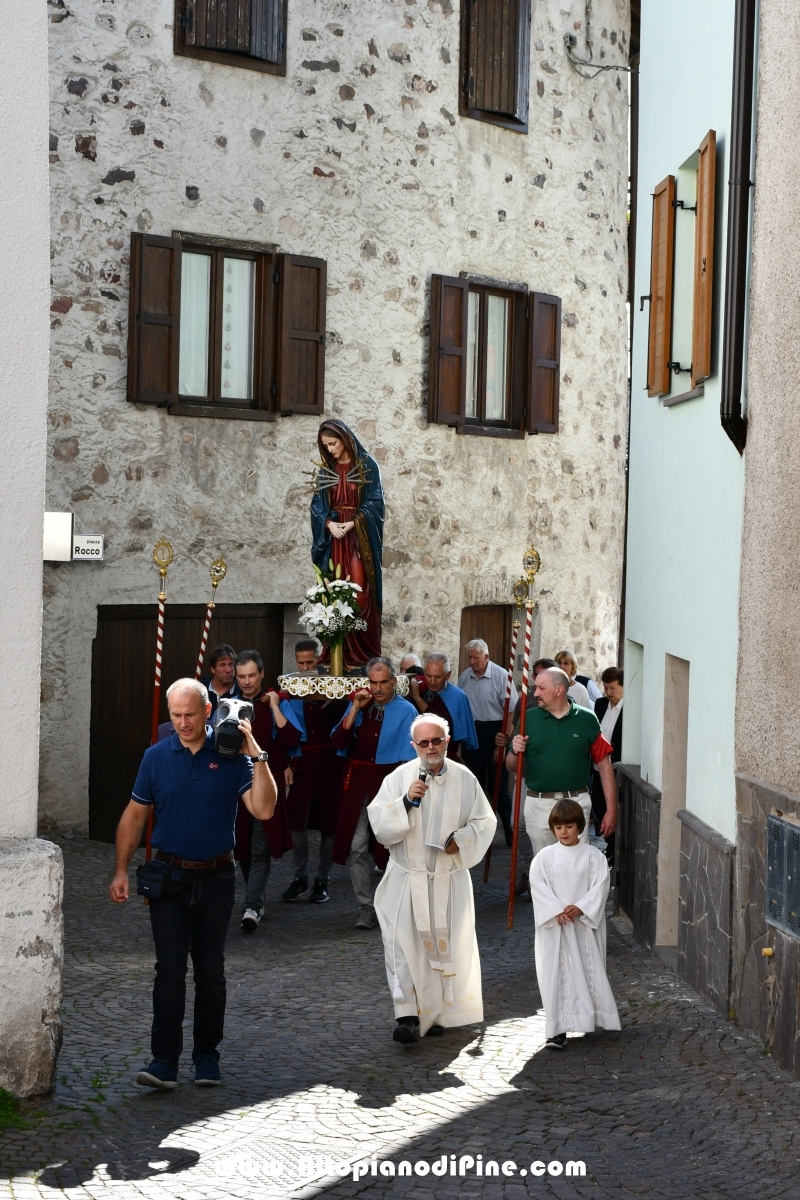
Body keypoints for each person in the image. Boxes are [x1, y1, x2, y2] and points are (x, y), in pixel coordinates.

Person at [108, 677, 277, 1089]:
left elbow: (264, 809)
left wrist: (259, 756)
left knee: (211, 972)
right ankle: (163, 1062)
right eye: (175, 715)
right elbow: (134, 816)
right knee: (168, 970)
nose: (182, 723)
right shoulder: (155, 756)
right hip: (169, 878)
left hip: (218, 878)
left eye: (189, 714)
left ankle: (207, 1058)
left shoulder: (233, 755)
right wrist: (120, 869)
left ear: (208, 710)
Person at [368, 713, 497, 1043]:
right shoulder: (398, 779)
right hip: (405, 879)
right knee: (401, 947)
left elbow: (485, 822)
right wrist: (406, 802)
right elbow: (380, 826)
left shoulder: (465, 779)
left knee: (444, 946)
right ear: (414, 746)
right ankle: (407, 1015)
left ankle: (437, 1013)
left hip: (446, 878)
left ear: (447, 741)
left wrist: (462, 840)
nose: (430, 747)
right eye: (423, 742)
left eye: (436, 740)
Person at [330, 656, 417, 928]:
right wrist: (355, 709)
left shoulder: (407, 711)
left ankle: (391, 903)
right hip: (358, 782)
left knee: (391, 845)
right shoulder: (359, 705)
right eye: (373, 683)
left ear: (393, 681)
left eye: (383, 683)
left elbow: (413, 756)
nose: (378, 689)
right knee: (356, 845)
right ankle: (365, 906)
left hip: (390, 782)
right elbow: (339, 741)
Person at [529, 798, 620, 1050]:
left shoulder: (594, 857)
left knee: (585, 969)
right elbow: (538, 885)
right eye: (558, 828)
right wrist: (555, 910)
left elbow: (600, 886)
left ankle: (587, 1017)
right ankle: (556, 1028)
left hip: (582, 927)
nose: (563, 832)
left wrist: (581, 906)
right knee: (554, 975)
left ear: (580, 825)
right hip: (555, 928)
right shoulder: (544, 858)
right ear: (552, 828)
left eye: (569, 826)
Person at [508, 667, 617, 861]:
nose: (536, 693)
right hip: (538, 804)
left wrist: (611, 810)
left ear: (559, 689)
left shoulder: (586, 719)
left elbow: (604, 765)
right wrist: (516, 751)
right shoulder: (528, 719)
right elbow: (510, 765)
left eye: (541, 688)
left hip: (575, 802)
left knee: (577, 867)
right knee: (544, 865)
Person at [272, 639, 346, 904]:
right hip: (302, 761)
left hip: (329, 762)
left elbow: (345, 720)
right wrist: (290, 764)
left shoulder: (334, 686)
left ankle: (322, 880)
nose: (305, 668)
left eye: (310, 662)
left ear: (319, 661)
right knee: (295, 822)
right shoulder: (292, 690)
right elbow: (288, 733)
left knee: (329, 824)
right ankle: (300, 876)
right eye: (300, 663)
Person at [309, 419, 384, 667]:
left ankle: (363, 655)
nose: (329, 449)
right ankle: (337, 653)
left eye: (332, 443)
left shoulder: (367, 466)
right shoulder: (325, 472)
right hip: (334, 541)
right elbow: (318, 506)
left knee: (360, 593)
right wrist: (329, 525)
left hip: (357, 539)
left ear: (345, 439)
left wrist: (352, 524)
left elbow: (375, 502)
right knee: (333, 592)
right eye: (325, 445)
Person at [235, 650, 293, 932]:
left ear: (261, 674)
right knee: (242, 847)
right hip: (238, 784)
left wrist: (274, 707)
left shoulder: (276, 701)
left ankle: (252, 905)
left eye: (251, 675)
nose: (247, 681)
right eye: (241, 676)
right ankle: (253, 898)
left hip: (267, 781)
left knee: (260, 847)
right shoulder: (229, 705)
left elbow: (291, 738)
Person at [457, 638, 517, 845]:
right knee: (474, 785)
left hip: (495, 732)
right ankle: (477, 832)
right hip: (473, 732)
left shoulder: (501, 677)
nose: (472, 661)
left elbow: (511, 710)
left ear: (486, 657)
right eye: (470, 657)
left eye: (475, 657)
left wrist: (505, 738)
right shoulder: (465, 677)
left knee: (497, 787)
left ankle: (510, 830)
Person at [407, 652, 478, 763]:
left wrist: (418, 699)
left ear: (448, 675)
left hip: (446, 759)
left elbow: (442, 724)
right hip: (419, 758)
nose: (432, 681)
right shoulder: (421, 690)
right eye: (429, 676)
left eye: (438, 677)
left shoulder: (458, 696)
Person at [591, 667, 624, 867]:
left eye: (613, 688)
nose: (609, 692)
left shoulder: (628, 709)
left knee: (613, 809)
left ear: (623, 687)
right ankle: (609, 842)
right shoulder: (601, 704)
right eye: (606, 688)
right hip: (597, 768)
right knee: (598, 806)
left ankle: (613, 848)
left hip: (616, 769)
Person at [201, 644, 240, 716]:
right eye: (222, 665)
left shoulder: (241, 692)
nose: (228, 670)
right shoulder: (200, 690)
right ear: (213, 669)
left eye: (231, 664)